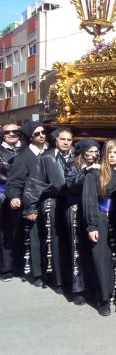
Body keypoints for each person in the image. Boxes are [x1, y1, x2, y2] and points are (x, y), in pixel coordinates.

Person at [83, 139, 116, 316]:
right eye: (109, 153)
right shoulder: (95, 173)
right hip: (100, 218)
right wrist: (91, 225)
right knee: (101, 259)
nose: (113, 156)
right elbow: (89, 200)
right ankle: (103, 298)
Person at [4, 122, 49, 287]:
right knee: (35, 239)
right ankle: (37, 275)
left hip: (52, 203)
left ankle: (52, 273)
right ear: (30, 137)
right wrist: (14, 196)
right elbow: (14, 182)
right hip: (32, 204)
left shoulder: (51, 153)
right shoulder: (23, 157)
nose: (42, 136)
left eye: (43, 132)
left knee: (52, 239)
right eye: (37, 134)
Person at [64, 138, 101, 305]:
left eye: (95, 151)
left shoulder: (100, 165)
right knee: (76, 248)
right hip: (76, 209)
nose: (93, 155)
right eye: (90, 151)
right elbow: (70, 185)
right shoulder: (72, 166)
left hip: (94, 210)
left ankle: (94, 285)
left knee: (93, 249)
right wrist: (86, 173)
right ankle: (78, 289)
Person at [41, 126, 75, 293]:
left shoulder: (77, 156)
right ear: (56, 140)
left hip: (71, 203)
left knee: (72, 242)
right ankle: (58, 281)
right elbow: (36, 182)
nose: (66, 142)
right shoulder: (46, 157)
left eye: (69, 140)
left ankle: (73, 281)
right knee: (55, 242)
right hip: (54, 202)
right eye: (63, 139)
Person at [0, 122, 24, 281]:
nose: (11, 134)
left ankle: (20, 264)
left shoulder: (26, 149)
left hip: (24, 194)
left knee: (21, 230)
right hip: (2, 195)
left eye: (15, 132)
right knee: (4, 232)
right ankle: (5, 268)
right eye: (8, 132)